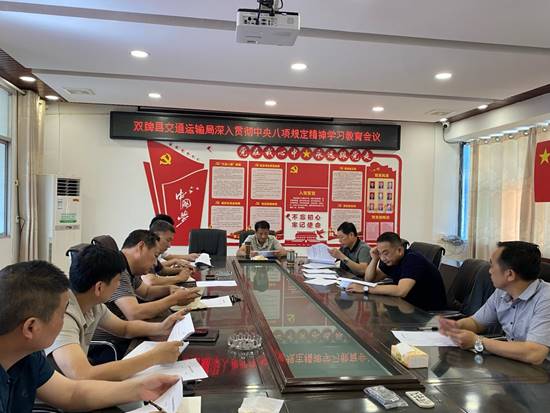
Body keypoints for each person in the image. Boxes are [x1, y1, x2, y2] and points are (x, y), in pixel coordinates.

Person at [0, 261, 178, 413]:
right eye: (62, 314)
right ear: (31, 327)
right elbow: (81, 378)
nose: (64, 320)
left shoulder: (29, 355)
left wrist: (141, 389)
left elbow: (71, 394)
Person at [46, 244, 188, 380]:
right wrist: (153, 357)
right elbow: (82, 375)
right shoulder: (63, 315)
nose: (119, 285)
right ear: (99, 287)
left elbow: (124, 328)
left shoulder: (92, 303)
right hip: (61, 392)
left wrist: (161, 327)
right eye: (118, 281)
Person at [439, 241, 550, 365]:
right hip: (514, 364)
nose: (489, 271)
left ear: (509, 274)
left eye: (492, 266)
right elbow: (477, 323)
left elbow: (535, 353)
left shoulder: (546, 299)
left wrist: (478, 341)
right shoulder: (502, 292)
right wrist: (456, 326)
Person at [92, 230, 200, 354]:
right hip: (110, 347)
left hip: (124, 334)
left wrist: (169, 289)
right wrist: (174, 299)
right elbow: (134, 313)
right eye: (155, 255)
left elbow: (146, 292)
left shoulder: (128, 268)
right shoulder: (118, 270)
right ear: (141, 247)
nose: (155, 263)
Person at [346, 232, 446, 311]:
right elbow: (370, 279)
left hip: (427, 313)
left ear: (399, 250)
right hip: (407, 307)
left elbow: (401, 291)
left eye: (385, 253)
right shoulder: (391, 260)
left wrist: (365, 289)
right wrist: (375, 259)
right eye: (380, 253)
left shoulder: (413, 259)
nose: (383, 258)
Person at [142, 220, 194, 287]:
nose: (169, 245)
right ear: (155, 237)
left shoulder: (154, 253)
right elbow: (151, 281)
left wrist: (182, 270)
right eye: (168, 240)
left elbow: (161, 271)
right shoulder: (146, 251)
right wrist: (179, 278)